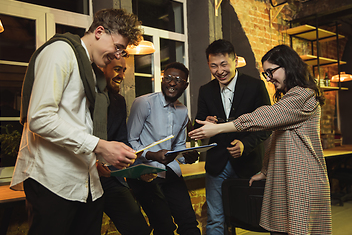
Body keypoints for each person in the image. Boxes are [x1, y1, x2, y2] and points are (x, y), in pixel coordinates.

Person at [10, 8, 142, 235]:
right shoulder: (60, 51)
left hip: (87, 180)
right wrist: (99, 145)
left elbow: (78, 122)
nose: (118, 55)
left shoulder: (91, 71)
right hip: (53, 180)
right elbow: (39, 118)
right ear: (100, 31)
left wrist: (98, 158)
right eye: (118, 47)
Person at [189, 44, 331, 235]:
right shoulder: (288, 97)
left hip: (302, 178)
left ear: (288, 66)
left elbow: (262, 118)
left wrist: (219, 128)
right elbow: (277, 139)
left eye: (271, 71)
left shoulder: (304, 95)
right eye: (266, 73)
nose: (269, 78)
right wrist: (265, 171)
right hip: (285, 176)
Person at [193, 39, 271, 235]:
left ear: (235, 61)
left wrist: (245, 144)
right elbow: (197, 127)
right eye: (213, 66)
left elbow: (267, 125)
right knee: (215, 220)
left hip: (249, 163)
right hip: (217, 165)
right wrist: (206, 123)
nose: (219, 70)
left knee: (254, 220)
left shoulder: (255, 86)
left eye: (224, 64)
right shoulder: (205, 90)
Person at [127, 62, 201, 235]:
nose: (172, 83)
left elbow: (179, 146)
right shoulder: (143, 103)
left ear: (185, 85)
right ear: (162, 79)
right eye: (168, 78)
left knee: (189, 223)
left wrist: (186, 156)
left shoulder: (183, 110)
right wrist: (152, 155)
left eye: (178, 80)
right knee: (165, 228)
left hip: (171, 172)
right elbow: (131, 141)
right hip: (147, 173)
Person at [95, 57, 151, 235]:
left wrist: (138, 168)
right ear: (100, 68)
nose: (122, 75)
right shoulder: (85, 98)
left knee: (139, 229)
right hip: (83, 178)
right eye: (117, 69)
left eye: (124, 70)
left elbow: (122, 141)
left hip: (111, 178)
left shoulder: (119, 101)